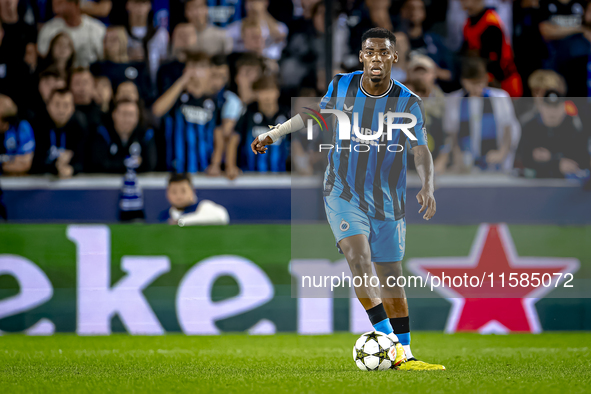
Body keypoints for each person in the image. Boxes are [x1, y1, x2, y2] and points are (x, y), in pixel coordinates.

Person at [253, 27, 443, 371]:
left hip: (387, 199)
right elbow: (314, 113)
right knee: (358, 255)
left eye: (383, 52)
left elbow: (420, 151)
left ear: (394, 59)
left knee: (390, 275)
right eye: (370, 51)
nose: (376, 58)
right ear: (361, 56)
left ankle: (406, 353)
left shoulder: (408, 102)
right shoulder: (342, 85)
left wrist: (427, 185)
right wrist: (275, 132)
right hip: (342, 191)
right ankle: (386, 341)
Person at [437, 57, 521, 174]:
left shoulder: (500, 97)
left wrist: (502, 152)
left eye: (481, 82)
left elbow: (509, 128)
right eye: (473, 83)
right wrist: (457, 156)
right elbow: (452, 133)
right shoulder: (454, 100)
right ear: (464, 81)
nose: (478, 88)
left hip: (494, 162)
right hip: (466, 163)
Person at [152, 52, 219, 173]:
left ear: (210, 72)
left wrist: (215, 163)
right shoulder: (176, 98)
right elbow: (157, 110)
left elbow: (221, 135)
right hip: (175, 171)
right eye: (192, 66)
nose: (196, 72)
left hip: (205, 172)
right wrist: (182, 82)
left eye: (202, 67)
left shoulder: (216, 102)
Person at [516, 90, 590, 179]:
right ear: (541, 107)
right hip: (536, 182)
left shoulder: (573, 126)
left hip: (568, 183)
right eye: (548, 106)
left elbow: (581, 159)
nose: (552, 111)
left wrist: (551, 158)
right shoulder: (530, 127)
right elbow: (525, 160)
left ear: (563, 107)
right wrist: (556, 164)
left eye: (556, 106)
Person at [460, 0, 523, 97]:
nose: (464, 3)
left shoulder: (490, 22)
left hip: (501, 80)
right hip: (480, 78)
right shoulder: (469, 22)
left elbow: (494, 58)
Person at [236, 76, 289, 173]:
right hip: (249, 176)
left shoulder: (286, 115)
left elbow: (295, 143)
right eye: (262, 91)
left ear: (277, 92)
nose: (267, 96)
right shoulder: (248, 113)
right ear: (256, 93)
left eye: (270, 90)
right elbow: (234, 137)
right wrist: (231, 165)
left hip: (280, 178)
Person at [90, 99, 157, 173]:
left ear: (137, 117)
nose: (127, 119)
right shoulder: (103, 132)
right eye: (124, 114)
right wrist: (127, 163)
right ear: (114, 115)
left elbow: (150, 164)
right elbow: (99, 164)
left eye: (131, 115)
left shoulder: (145, 134)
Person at [31, 88, 87, 177]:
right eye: (57, 105)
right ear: (48, 106)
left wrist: (72, 169)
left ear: (73, 108)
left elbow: (85, 162)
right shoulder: (36, 127)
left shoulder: (80, 128)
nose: (61, 110)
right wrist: (56, 166)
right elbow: (34, 163)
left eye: (66, 105)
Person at [90, 26, 153, 104]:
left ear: (123, 41)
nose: (109, 44)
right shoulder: (97, 67)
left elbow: (147, 95)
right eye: (106, 40)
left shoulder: (138, 67)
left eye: (114, 40)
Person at [37, 0, 106, 67]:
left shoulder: (97, 29)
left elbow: (103, 59)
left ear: (75, 4)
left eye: (60, 2)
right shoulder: (49, 28)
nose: (56, 8)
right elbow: (43, 58)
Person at [206, 55, 243, 179]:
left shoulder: (231, 100)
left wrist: (217, 164)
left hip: (217, 163)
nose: (218, 82)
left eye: (223, 77)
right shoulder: (195, 96)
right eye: (214, 76)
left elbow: (226, 133)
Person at [399, 0, 454, 84]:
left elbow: (451, 74)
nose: (414, 12)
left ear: (424, 13)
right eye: (410, 8)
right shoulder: (395, 42)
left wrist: (432, 70)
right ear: (403, 11)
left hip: (434, 90)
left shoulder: (434, 40)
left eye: (419, 8)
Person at [125, 0, 169, 86]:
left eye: (144, 3)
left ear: (150, 6)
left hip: (155, 85)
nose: (140, 7)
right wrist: (127, 57)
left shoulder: (160, 34)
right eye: (136, 2)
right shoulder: (122, 33)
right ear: (127, 5)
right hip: (129, 82)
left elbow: (165, 64)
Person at [158, 172, 229, 225]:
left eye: (183, 191)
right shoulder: (164, 216)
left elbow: (221, 217)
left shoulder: (203, 206)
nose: (179, 196)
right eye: (174, 192)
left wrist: (181, 222)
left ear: (192, 191)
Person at [0, 94, 34, 175]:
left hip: (15, 182)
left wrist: (2, 165)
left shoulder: (22, 127)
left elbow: (25, 163)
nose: (5, 126)